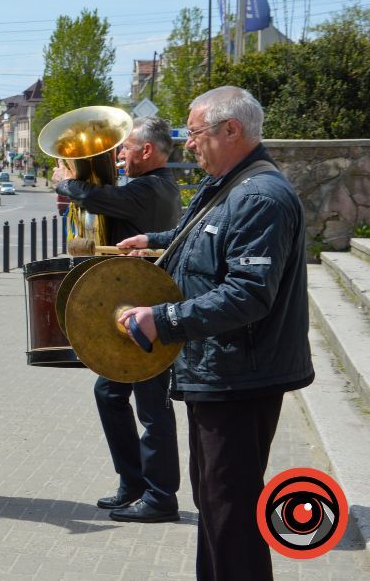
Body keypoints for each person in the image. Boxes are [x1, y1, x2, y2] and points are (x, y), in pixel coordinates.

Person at [116, 86, 313, 581]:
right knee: (215, 502)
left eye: (196, 133)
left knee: (231, 511)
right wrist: (155, 241)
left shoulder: (260, 195)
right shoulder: (232, 184)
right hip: (219, 370)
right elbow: (210, 236)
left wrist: (161, 321)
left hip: (240, 377)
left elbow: (248, 294)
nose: (189, 144)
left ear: (232, 130)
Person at [53, 117, 183, 524]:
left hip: (146, 310)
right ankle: (134, 483)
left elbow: (101, 199)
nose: (119, 155)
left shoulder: (151, 188)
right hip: (131, 304)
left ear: (148, 151)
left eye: (125, 148)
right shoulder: (147, 187)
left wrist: (65, 182)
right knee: (109, 394)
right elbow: (106, 202)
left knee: (151, 408)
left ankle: (161, 497)